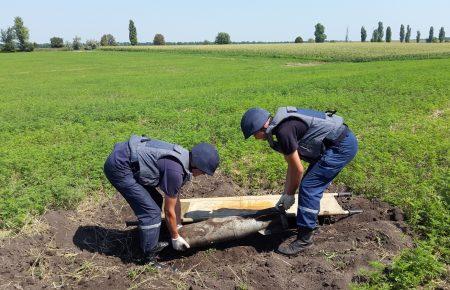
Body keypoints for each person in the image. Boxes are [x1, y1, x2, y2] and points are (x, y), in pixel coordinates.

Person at [240, 106, 358, 256]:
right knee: (309, 185)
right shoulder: (281, 127)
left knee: (309, 187)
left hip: (340, 147)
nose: (254, 138)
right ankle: (309, 224)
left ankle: (304, 239)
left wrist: (290, 195)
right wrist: (285, 193)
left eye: (253, 134)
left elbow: (298, 169)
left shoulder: (284, 132)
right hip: (338, 143)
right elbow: (292, 165)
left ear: (262, 126)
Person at [104, 134, 219, 262]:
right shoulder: (175, 172)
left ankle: (151, 238)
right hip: (119, 167)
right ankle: (148, 257)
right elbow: (169, 211)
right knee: (151, 212)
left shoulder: (184, 159)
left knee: (156, 201)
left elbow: (176, 198)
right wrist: (175, 237)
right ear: (197, 166)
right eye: (203, 172)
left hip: (128, 160)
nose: (202, 175)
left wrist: (178, 224)